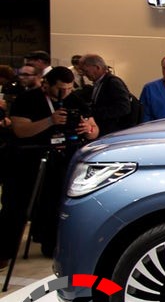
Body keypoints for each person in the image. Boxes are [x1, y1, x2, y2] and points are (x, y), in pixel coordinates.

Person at [1, 66, 98, 260]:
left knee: (55, 204)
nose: (65, 92)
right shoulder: (27, 99)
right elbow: (20, 130)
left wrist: (87, 129)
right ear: (47, 85)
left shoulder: (75, 100)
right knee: (17, 205)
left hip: (62, 159)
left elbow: (95, 130)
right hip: (28, 158)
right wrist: (50, 121)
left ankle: (51, 244)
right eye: (61, 89)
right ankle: (4, 250)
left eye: (69, 88)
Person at [80, 53, 133, 136]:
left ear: (97, 67)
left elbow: (124, 108)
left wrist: (94, 113)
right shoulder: (99, 83)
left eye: (86, 71)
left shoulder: (113, 83)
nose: (84, 74)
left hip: (112, 132)